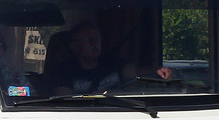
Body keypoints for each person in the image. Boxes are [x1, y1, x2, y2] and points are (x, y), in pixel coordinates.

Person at [46, 21, 174, 96]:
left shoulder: (112, 62)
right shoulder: (63, 71)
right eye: (89, 40)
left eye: (97, 39)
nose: (94, 44)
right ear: (74, 45)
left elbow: (135, 72)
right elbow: (64, 99)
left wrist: (157, 70)